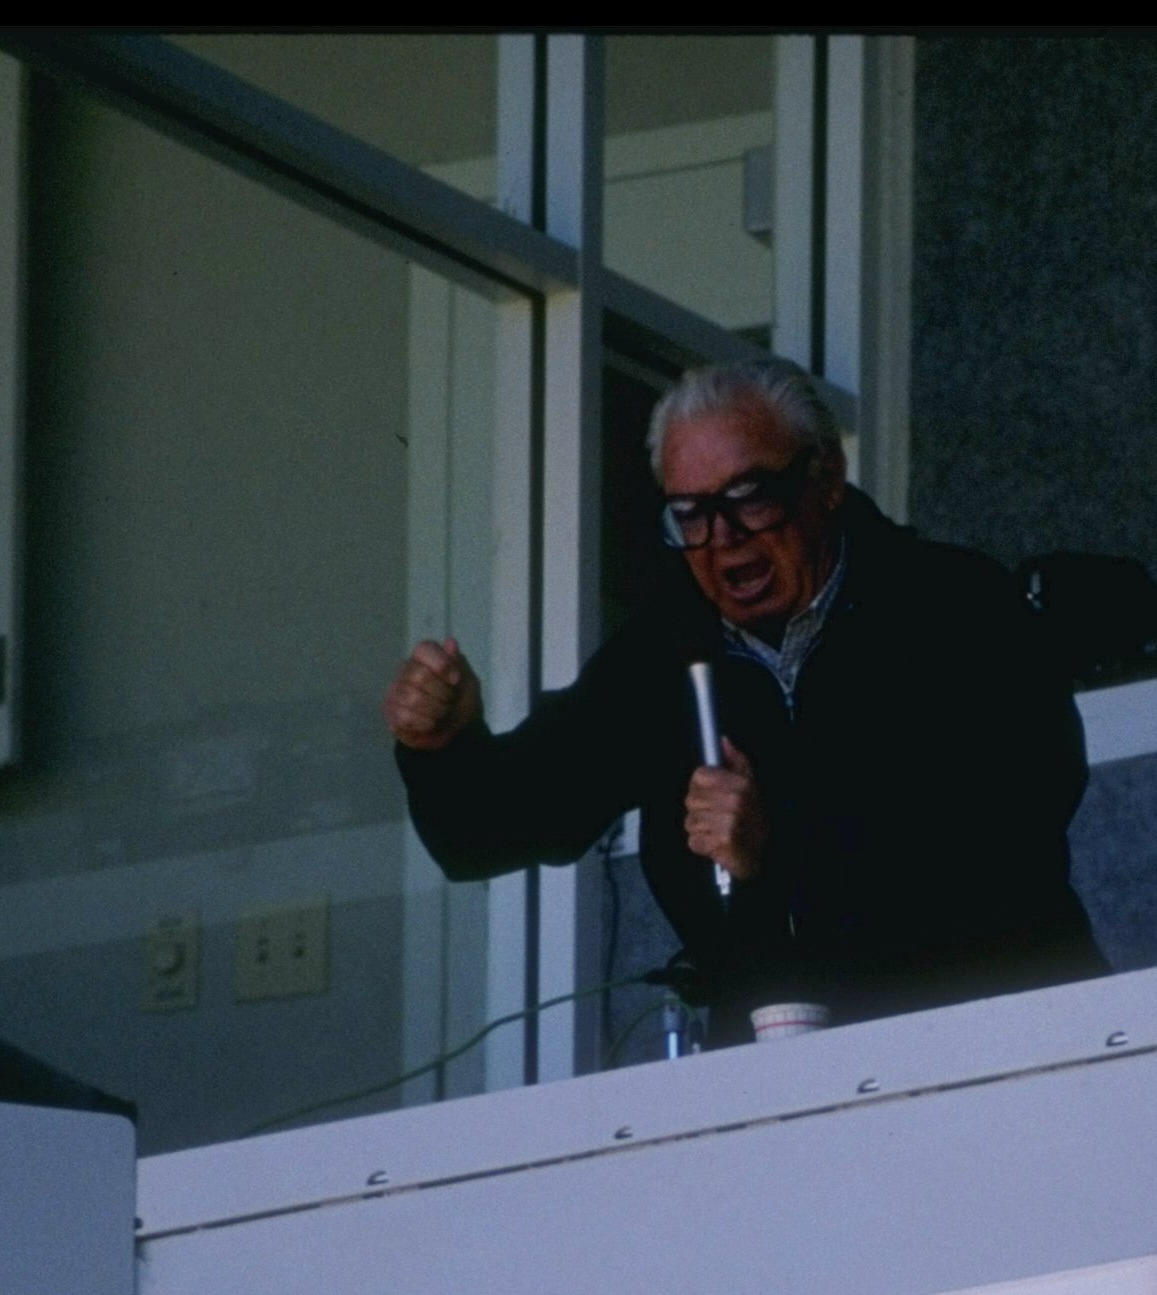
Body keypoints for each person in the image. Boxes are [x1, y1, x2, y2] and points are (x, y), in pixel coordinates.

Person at [385, 356, 1107, 1044]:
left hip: (995, 1042)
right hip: (778, 1071)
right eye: (691, 514)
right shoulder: (663, 654)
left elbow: (1015, 823)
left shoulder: (956, 605)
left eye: (750, 498)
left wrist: (782, 841)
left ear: (827, 478)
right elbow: (492, 829)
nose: (723, 540)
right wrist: (441, 745)